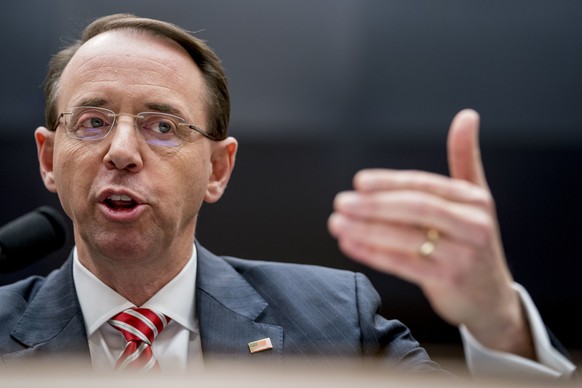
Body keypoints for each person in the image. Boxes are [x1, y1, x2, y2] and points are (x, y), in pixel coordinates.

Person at [0, 13, 575, 380]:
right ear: (50, 158)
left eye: (163, 127)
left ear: (218, 170)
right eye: (94, 121)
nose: (121, 150)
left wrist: (501, 325)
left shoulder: (333, 320)